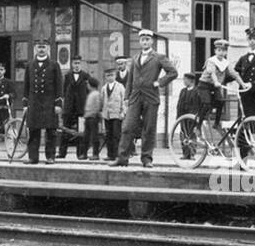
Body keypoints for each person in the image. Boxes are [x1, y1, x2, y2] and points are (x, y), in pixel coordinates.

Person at [113, 29, 178, 168]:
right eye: (142, 39)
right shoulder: (135, 58)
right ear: (140, 41)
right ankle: (122, 158)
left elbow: (173, 72)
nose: (145, 42)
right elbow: (130, 80)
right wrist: (126, 97)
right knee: (127, 127)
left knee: (149, 129)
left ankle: (147, 159)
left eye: (147, 39)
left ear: (152, 41)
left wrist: (159, 82)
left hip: (150, 97)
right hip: (135, 97)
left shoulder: (159, 57)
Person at [22, 41, 63, 164]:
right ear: (35, 49)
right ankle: (33, 157)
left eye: (43, 47)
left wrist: (58, 103)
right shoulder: (30, 65)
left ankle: (50, 157)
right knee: (33, 131)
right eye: (39, 47)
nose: (41, 49)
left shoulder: (54, 65)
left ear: (48, 49)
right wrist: (25, 104)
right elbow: (26, 86)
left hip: (49, 102)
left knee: (51, 131)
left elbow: (59, 85)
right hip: (34, 102)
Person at [196, 39, 246, 137]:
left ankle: (216, 123)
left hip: (215, 86)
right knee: (206, 104)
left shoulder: (226, 63)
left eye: (223, 51)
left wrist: (243, 84)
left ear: (226, 52)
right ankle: (198, 125)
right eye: (219, 50)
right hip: (205, 85)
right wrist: (216, 82)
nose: (221, 53)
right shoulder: (211, 61)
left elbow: (234, 74)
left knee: (221, 101)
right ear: (215, 51)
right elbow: (212, 73)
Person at [59, 55, 98, 159]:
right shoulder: (67, 76)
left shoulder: (86, 76)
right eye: (75, 63)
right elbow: (64, 92)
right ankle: (62, 153)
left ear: (81, 64)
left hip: (81, 108)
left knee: (81, 131)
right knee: (65, 130)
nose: (76, 65)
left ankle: (80, 153)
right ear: (72, 64)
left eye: (78, 63)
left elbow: (90, 91)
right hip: (69, 108)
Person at [99, 67, 126, 160]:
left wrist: (123, 112)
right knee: (108, 135)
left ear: (115, 76)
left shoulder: (120, 87)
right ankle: (110, 155)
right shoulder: (103, 88)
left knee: (116, 135)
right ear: (105, 77)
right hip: (107, 115)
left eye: (112, 75)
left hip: (117, 115)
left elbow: (124, 100)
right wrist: (101, 112)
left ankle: (117, 154)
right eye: (108, 75)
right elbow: (102, 101)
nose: (110, 77)